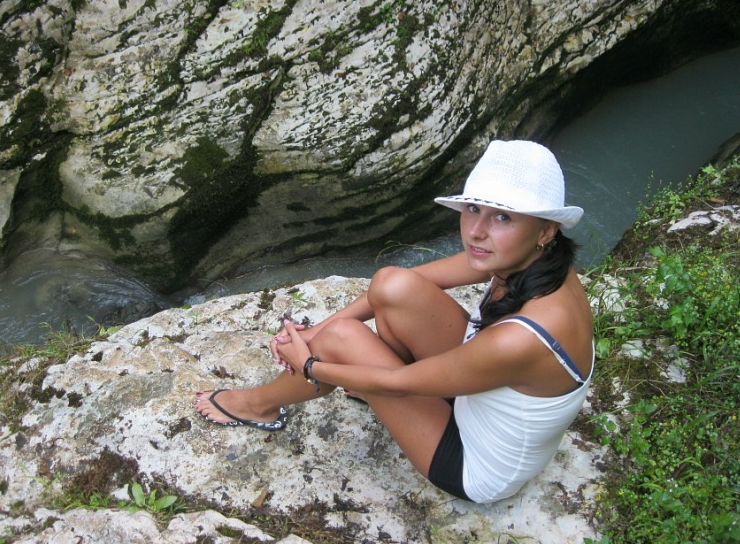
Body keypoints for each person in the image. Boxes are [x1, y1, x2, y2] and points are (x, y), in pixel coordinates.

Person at [195, 139, 594, 504]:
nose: (475, 231)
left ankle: (256, 405)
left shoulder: (522, 338)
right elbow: (400, 285)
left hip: (473, 460)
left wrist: (311, 364)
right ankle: (352, 374)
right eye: (473, 208)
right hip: (478, 394)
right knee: (392, 283)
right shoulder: (539, 260)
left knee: (340, 341)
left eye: (502, 217)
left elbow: (400, 382)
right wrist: (312, 331)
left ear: (545, 230)